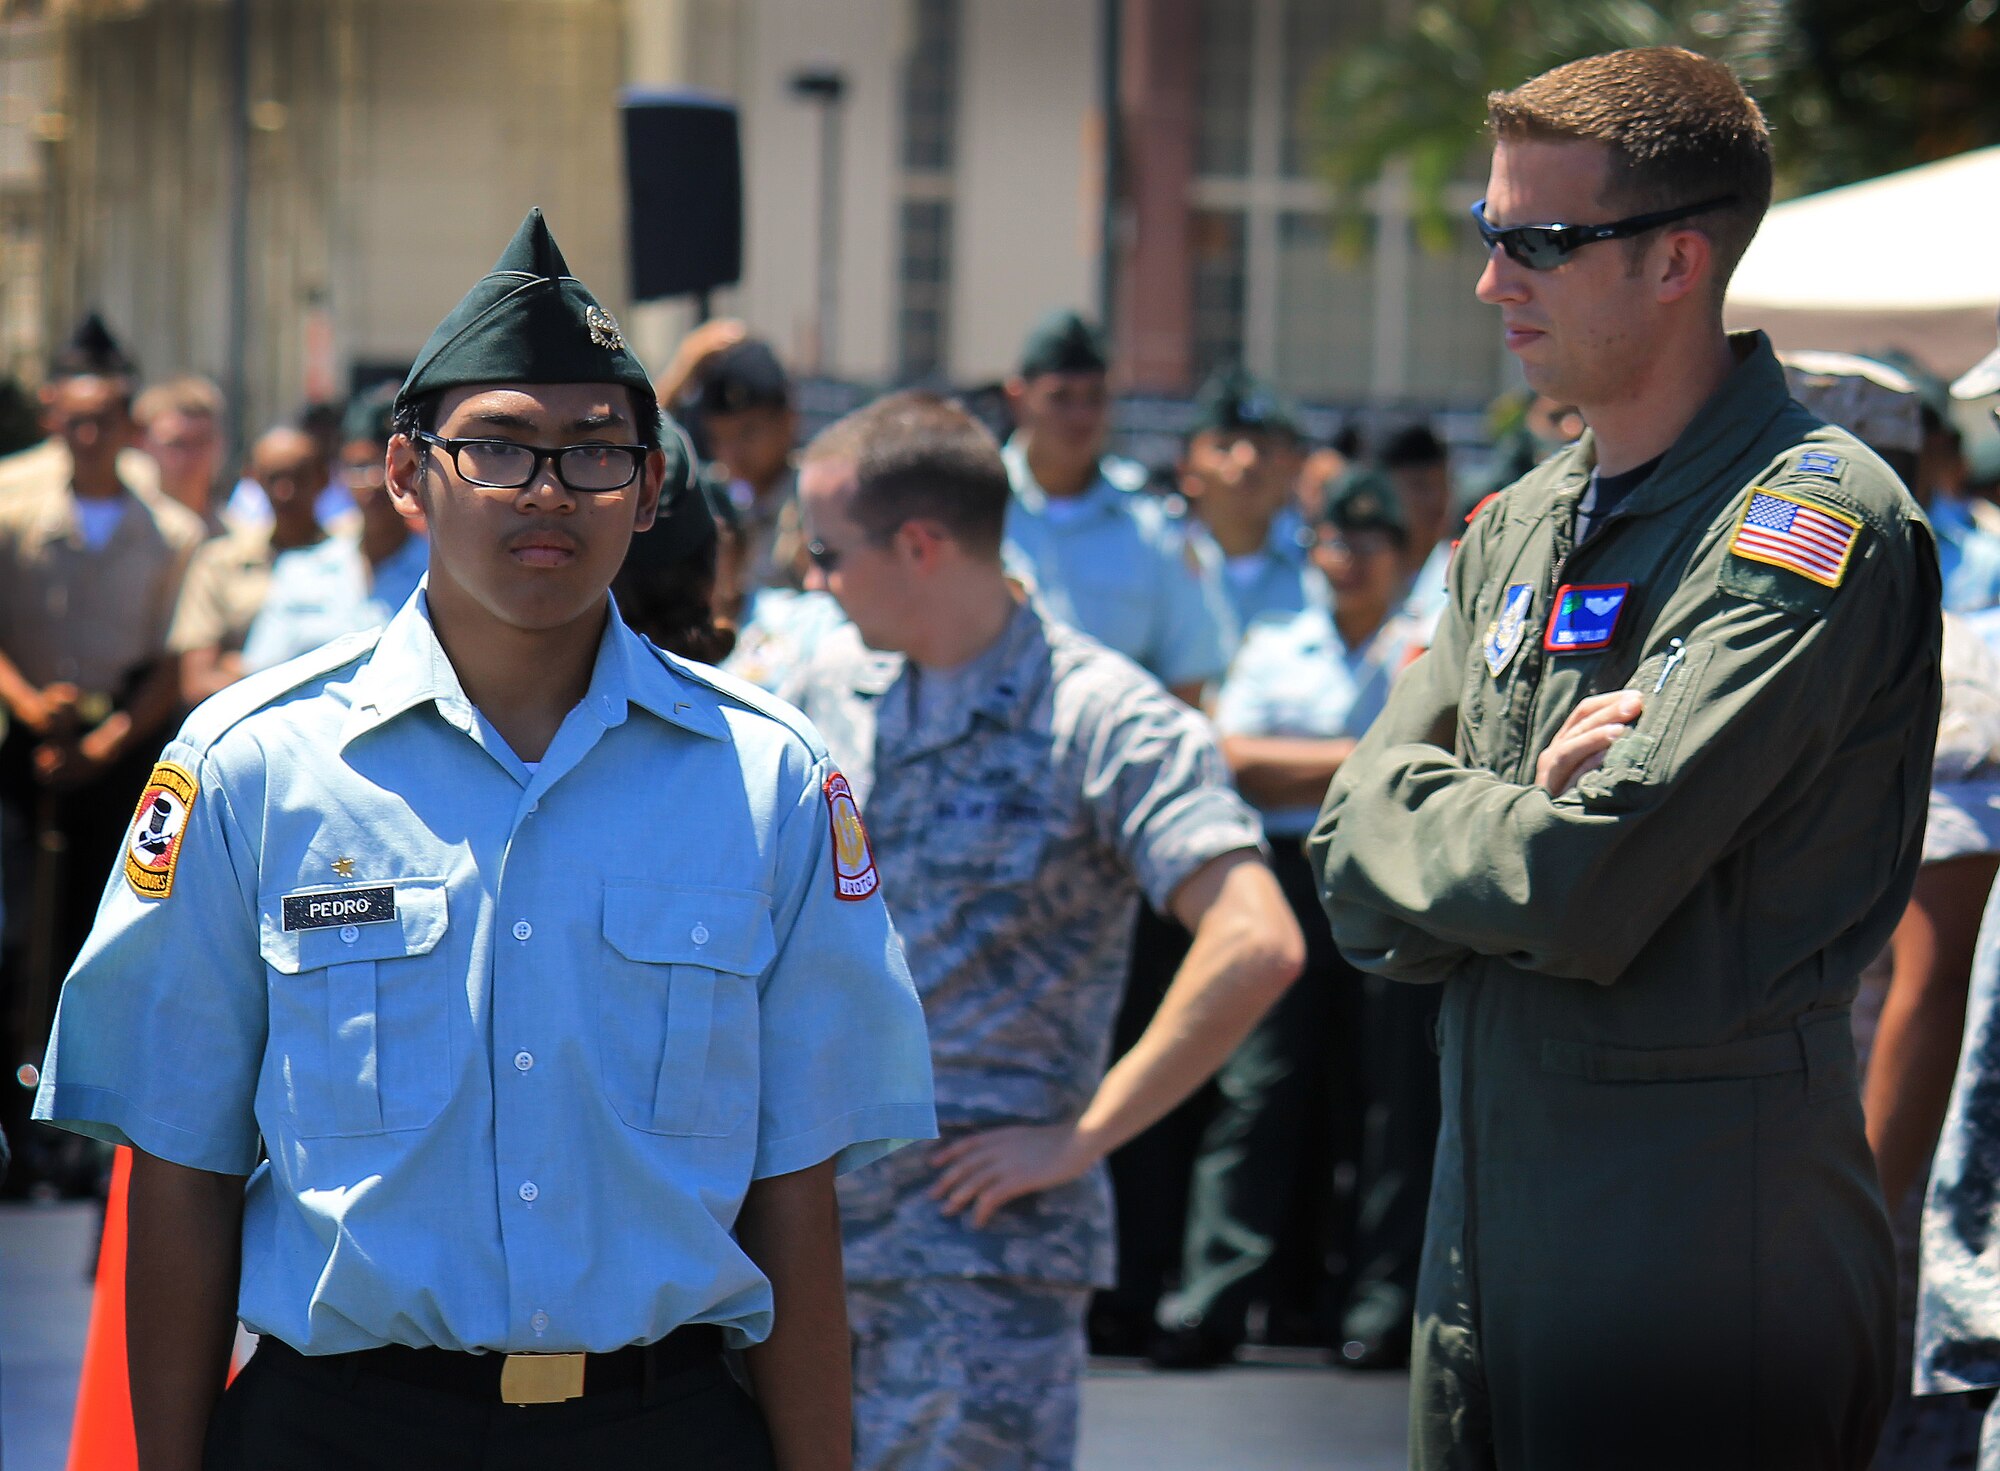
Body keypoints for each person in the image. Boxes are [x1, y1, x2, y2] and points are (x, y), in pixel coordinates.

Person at [31, 208, 935, 1471]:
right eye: (497, 451)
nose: (548, 492)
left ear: (650, 485)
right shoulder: (254, 764)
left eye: (593, 453)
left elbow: (795, 1196)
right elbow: (178, 1176)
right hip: (342, 1427)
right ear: (405, 475)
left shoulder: (767, 778)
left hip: (658, 1423)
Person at [1311, 48, 1939, 1470]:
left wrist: (1477, 832)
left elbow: (1576, 891)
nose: (1493, 282)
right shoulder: (1521, 521)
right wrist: (1518, 806)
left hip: (1701, 1259)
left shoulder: (1809, 525)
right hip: (1486, 1246)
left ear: (1676, 262)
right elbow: (1348, 864)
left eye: (1538, 242)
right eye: (1490, 236)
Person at [785, 390, 1303, 1471]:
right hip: (805, 1244)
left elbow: (1254, 941)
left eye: (828, 553)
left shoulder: (1103, 719)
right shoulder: (819, 697)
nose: (811, 580)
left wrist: (1082, 1138)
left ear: (918, 544)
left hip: (976, 1260)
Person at [1156, 470, 1426, 1371]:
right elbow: (1230, 759)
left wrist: (1315, 766)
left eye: (1369, 543)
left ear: (1402, 552)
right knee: (1260, 1086)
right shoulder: (1276, 641)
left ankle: (1381, 1303)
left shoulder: (1426, 647)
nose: (1348, 561)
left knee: (1392, 1098)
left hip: (1393, 874)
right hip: (1288, 872)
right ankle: (1217, 1295)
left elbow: (1440, 755)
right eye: (1333, 543)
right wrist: (1366, 758)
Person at [0, 313, 202, 1195]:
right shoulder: (8, 500)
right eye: (74, 419)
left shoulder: (170, 528)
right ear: (54, 416)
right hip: (23, 742)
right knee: (12, 935)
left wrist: (109, 740)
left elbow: (172, 657)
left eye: (106, 419)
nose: (89, 434)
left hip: (119, 751)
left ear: (127, 424)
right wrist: (26, 706)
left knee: (104, 933)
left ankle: (84, 1130)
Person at [1000, 308, 1230, 706]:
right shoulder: (970, 506)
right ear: (1018, 398)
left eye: (1095, 398)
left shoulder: (1153, 523)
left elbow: (1188, 680)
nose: (1081, 416)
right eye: (1061, 398)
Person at [237, 384, 431, 672]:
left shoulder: (439, 575)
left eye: (391, 467)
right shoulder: (301, 571)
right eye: (360, 466)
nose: (376, 482)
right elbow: (261, 671)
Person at [168, 426, 337, 705]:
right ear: (254, 480)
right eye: (274, 479)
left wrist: (246, 672)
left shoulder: (350, 560)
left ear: (323, 478)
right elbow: (198, 682)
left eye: (299, 477)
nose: (286, 492)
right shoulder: (220, 561)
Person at [657, 321, 801, 593]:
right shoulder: (714, 497)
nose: (731, 452)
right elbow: (639, 460)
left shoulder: (815, 500)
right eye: (718, 438)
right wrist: (679, 375)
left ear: (787, 421)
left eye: (747, 433)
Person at [1178, 367, 1317, 641]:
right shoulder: (1162, 565)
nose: (1247, 461)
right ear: (1186, 471)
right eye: (1224, 447)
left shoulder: (1323, 575)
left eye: (1264, 448)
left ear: (1294, 469)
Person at [1380, 423, 1454, 634]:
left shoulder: (1461, 569)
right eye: (1418, 486)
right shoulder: (1363, 570)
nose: (1435, 499)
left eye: (1443, 484)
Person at [134, 375, 230, 531]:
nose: (190, 456)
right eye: (177, 444)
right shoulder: (133, 532)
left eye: (201, 442)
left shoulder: (244, 539)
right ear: (144, 446)